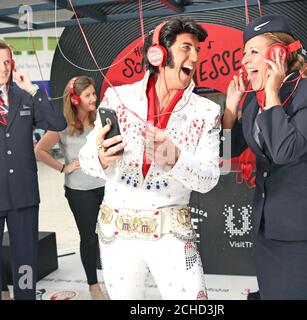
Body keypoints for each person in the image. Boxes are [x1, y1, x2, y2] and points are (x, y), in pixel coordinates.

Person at [79, 16, 221, 300]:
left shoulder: (206, 112)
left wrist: (177, 159)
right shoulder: (117, 98)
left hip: (171, 234)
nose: (195, 56)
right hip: (116, 233)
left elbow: (208, 179)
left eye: (197, 50)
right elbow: (85, 158)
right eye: (186, 48)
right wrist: (100, 158)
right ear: (158, 54)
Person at [223, 14, 307, 299]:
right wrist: (229, 111)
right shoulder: (253, 103)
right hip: (268, 228)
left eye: (253, 52)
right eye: (243, 53)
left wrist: (273, 92)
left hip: (303, 231)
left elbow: (285, 150)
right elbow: (225, 156)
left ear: (278, 54)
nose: (244, 61)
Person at [0, 38, 66, 300]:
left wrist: (33, 89)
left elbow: (58, 122)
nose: (3, 68)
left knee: (26, 266)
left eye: (7, 61)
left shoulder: (24, 95)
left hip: (22, 196)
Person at [34, 76, 107, 300]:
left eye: (94, 94)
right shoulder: (62, 125)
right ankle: (93, 285)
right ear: (75, 99)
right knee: (89, 238)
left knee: (110, 237)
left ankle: (114, 280)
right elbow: (39, 150)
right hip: (79, 191)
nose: (94, 99)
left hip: (106, 187)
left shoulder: (101, 120)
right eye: (88, 95)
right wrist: (62, 167)